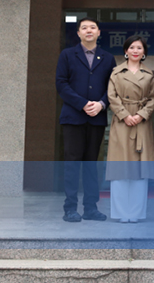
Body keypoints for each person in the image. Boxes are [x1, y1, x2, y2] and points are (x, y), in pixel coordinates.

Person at [55, 17, 116, 223]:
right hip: (73, 117)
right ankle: (70, 208)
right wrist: (82, 103)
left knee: (92, 165)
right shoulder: (67, 55)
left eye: (92, 27)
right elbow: (61, 83)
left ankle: (91, 208)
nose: (88, 30)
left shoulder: (107, 58)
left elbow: (113, 87)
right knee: (72, 164)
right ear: (78, 33)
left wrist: (102, 104)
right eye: (84, 28)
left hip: (96, 118)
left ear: (99, 32)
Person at [106, 35, 154, 223]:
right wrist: (125, 115)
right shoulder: (116, 73)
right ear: (126, 51)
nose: (135, 51)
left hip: (141, 123)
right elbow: (111, 96)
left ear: (144, 52)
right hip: (122, 122)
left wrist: (141, 115)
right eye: (132, 47)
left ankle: (136, 213)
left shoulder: (149, 74)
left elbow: (153, 97)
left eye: (139, 48)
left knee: (139, 169)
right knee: (120, 168)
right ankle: (120, 213)